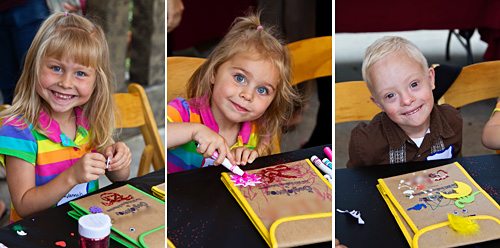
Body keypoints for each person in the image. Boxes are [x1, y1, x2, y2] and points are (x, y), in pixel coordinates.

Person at [0, 12, 131, 223]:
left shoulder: (90, 121)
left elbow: (119, 178)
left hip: (84, 227)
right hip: (38, 234)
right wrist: (72, 176)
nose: (66, 83)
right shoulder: (18, 130)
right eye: (56, 68)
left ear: (97, 81)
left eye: (80, 73)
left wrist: (118, 159)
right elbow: (24, 206)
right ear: (35, 67)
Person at [167, 12, 301, 173]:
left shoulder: (259, 129)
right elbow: (158, 137)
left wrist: (248, 158)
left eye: (262, 90)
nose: (248, 95)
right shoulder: (183, 112)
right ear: (214, 73)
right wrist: (194, 131)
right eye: (239, 78)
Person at [347, 36, 462, 167]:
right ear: (378, 103)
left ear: (430, 79)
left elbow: (456, 165)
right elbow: (355, 182)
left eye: (413, 85)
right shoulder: (365, 143)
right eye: (390, 95)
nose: (407, 100)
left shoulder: (452, 120)